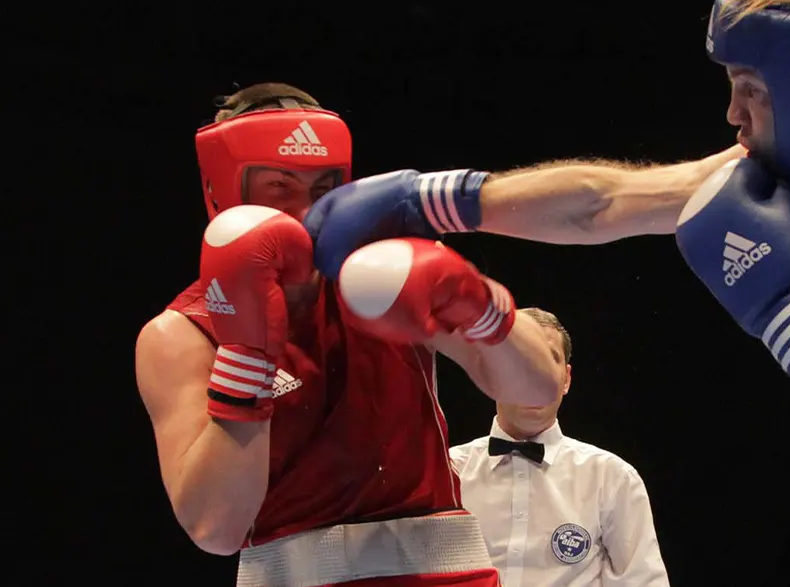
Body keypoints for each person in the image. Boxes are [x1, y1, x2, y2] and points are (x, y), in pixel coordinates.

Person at [304, 1, 790, 585]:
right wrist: (428, 199)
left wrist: (787, 304)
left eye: (748, 88)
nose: (732, 114)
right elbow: (605, 201)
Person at [132, 82, 568, 587]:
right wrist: (246, 354)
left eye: (323, 190)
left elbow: (534, 389)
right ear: (221, 192)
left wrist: (478, 297)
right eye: (278, 188)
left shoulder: (383, 277)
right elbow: (215, 528)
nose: (304, 212)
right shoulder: (182, 332)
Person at [447, 308, 671, 587]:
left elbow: (643, 582)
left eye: (549, 358)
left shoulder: (612, 478)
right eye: (520, 358)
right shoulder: (447, 473)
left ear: (566, 379)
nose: (534, 373)